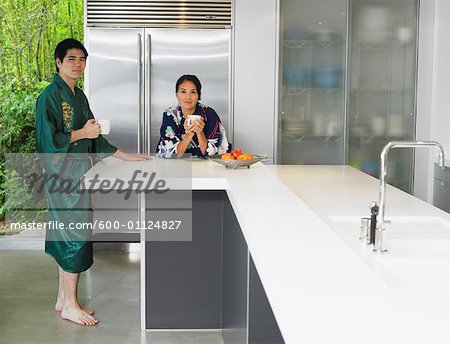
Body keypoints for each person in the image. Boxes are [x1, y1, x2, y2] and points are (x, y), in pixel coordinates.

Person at [35, 38, 150, 326]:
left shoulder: (79, 96)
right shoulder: (49, 97)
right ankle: (72, 305)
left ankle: (64, 300)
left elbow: (95, 135)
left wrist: (126, 156)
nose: (77, 64)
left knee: (71, 235)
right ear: (58, 62)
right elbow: (47, 142)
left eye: (82, 59)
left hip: (79, 176)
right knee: (73, 238)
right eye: (71, 58)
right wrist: (80, 135)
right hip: (64, 177)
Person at [156, 74, 230, 158]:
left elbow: (212, 155)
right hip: (176, 165)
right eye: (183, 91)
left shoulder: (209, 114)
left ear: (198, 95)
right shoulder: (170, 115)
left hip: (205, 166)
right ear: (177, 94)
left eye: (193, 92)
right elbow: (171, 154)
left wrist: (199, 132)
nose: (188, 97)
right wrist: (188, 136)